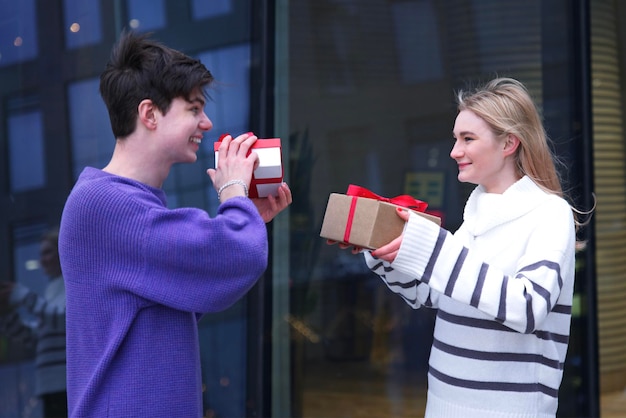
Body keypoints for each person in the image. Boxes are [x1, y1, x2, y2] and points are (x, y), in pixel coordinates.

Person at [58, 30, 292, 417]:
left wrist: (247, 214)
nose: (207, 122)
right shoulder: (103, 205)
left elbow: (204, 281)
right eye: (194, 108)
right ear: (149, 114)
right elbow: (239, 256)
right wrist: (234, 191)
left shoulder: (123, 204)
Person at [331, 77, 580, 417]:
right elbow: (431, 295)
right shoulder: (475, 214)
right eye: (455, 139)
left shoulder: (549, 213)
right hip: (444, 403)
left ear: (508, 143)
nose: (454, 151)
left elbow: (529, 307)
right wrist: (385, 251)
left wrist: (434, 250)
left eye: (468, 139)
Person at [0, 227, 67, 417]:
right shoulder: (52, 290)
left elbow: (65, 321)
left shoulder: (71, 285)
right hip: (49, 387)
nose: (42, 260)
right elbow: (36, 339)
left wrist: (23, 297)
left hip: (67, 383)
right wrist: (5, 316)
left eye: (47, 252)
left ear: (62, 251)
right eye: (41, 254)